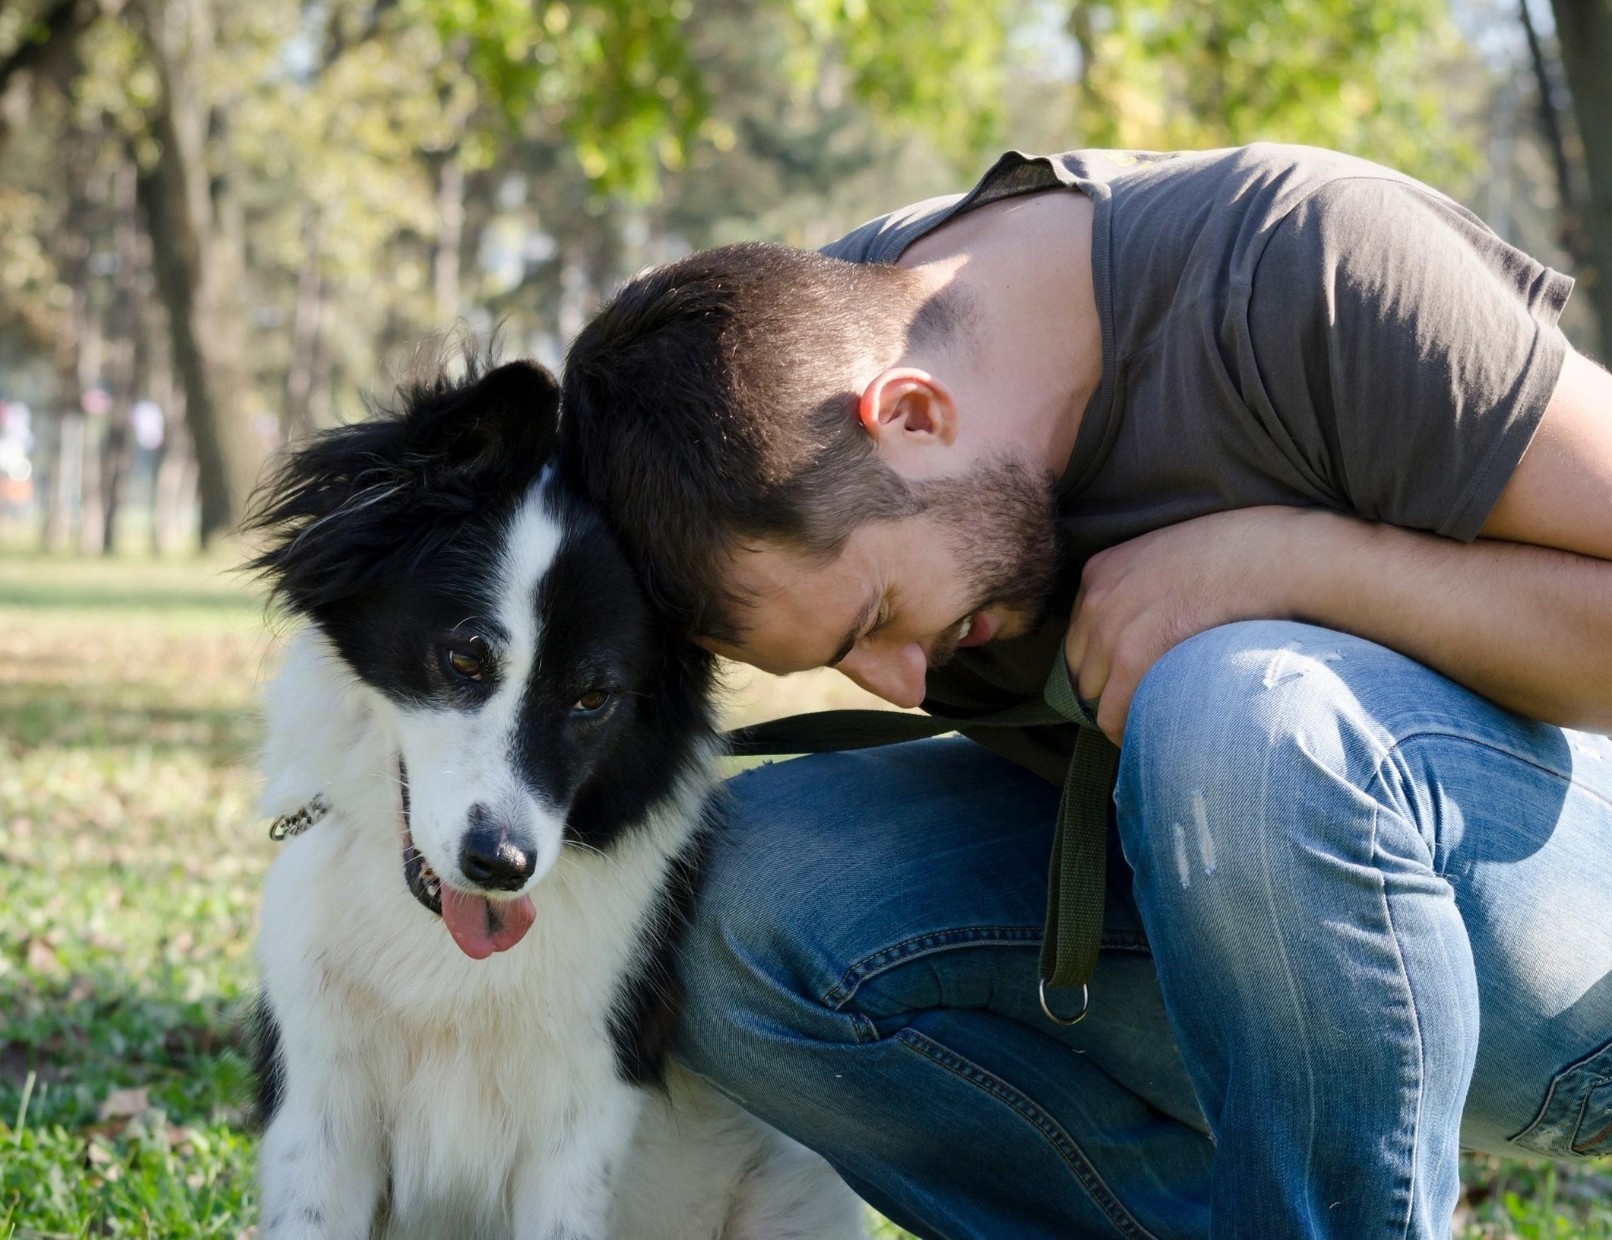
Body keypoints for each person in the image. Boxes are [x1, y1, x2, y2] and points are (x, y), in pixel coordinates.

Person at [559, 144, 1612, 1239]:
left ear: (913, 416)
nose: (908, 683)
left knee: (1237, 710)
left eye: (874, 620)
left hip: (1568, 951)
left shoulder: (1303, 265)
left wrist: (1289, 566)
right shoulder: (769, 383)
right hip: (1227, 951)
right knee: (724, 906)